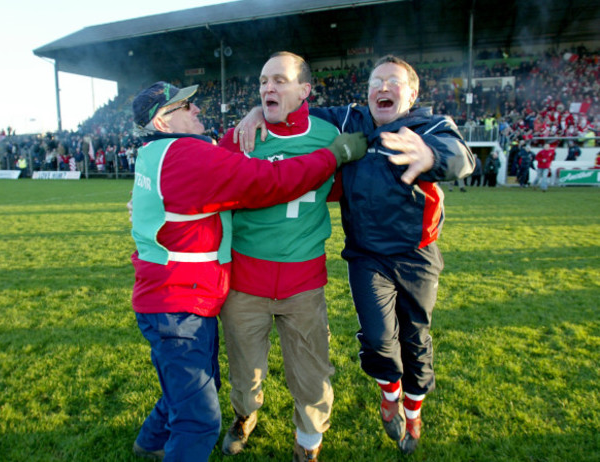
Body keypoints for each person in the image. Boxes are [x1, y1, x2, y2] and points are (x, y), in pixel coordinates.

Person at [235, 54, 474, 455]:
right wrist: (258, 108)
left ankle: (413, 412)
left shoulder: (429, 126)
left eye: (393, 82)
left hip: (417, 256)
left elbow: (461, 155)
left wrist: (432, 156)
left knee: (415, 337)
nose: (383, 88)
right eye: (375, 82)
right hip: (366, 256)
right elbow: (297, 104)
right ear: (366, 93)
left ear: (412, 93)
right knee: (380, 339)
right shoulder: (352, 120)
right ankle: (389, 393)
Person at [128, 80, 365, 462]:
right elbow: (270, 181)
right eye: (185, 107)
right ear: (162, 122)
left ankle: (150, 441)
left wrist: (258, 114)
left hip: (175, 296)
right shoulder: (187, 156)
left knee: (194, 383)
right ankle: (166, 441)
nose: (196, 109)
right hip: (179, 302)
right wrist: (333, 156)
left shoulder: (158, 152)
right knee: (200, 418)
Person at [218, 52, 365, 462]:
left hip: (303, 282)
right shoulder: (239, 138)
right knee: (245, 373)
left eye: (280, 80)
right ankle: (244, 415)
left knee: (312, 374)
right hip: (245, 282)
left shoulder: (328, 134)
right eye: (264, 81)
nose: (268, 88)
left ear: (305, 91)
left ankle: (308, 444)